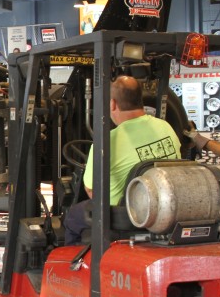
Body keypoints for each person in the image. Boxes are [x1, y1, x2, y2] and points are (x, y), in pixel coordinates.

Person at [62, 75, 181, 244]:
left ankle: (74, 266)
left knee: (73, 216)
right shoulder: (165, 127)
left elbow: (92, 190)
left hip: (126, 216)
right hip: (164, 207)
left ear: (112, 104)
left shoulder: (106, 142)